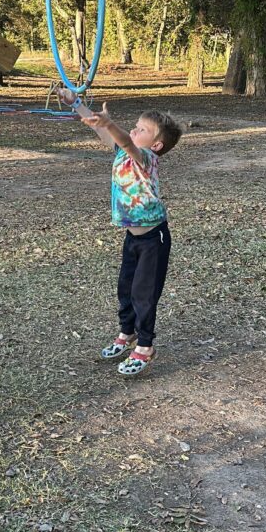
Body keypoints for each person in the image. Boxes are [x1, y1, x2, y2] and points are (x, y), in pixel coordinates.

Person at [58, 89, 182, 377]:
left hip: (154, 239)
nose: (134, 130)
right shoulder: (124, 154)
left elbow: (124, 140)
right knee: (125, 289)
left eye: (142, 130)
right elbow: (103, 131)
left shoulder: (147, 158)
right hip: (133, 237)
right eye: (136, 126)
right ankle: (127, 334)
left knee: (144, 294)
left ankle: (146, 347)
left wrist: (111, 125)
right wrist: (76, 104)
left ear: (157, 144)